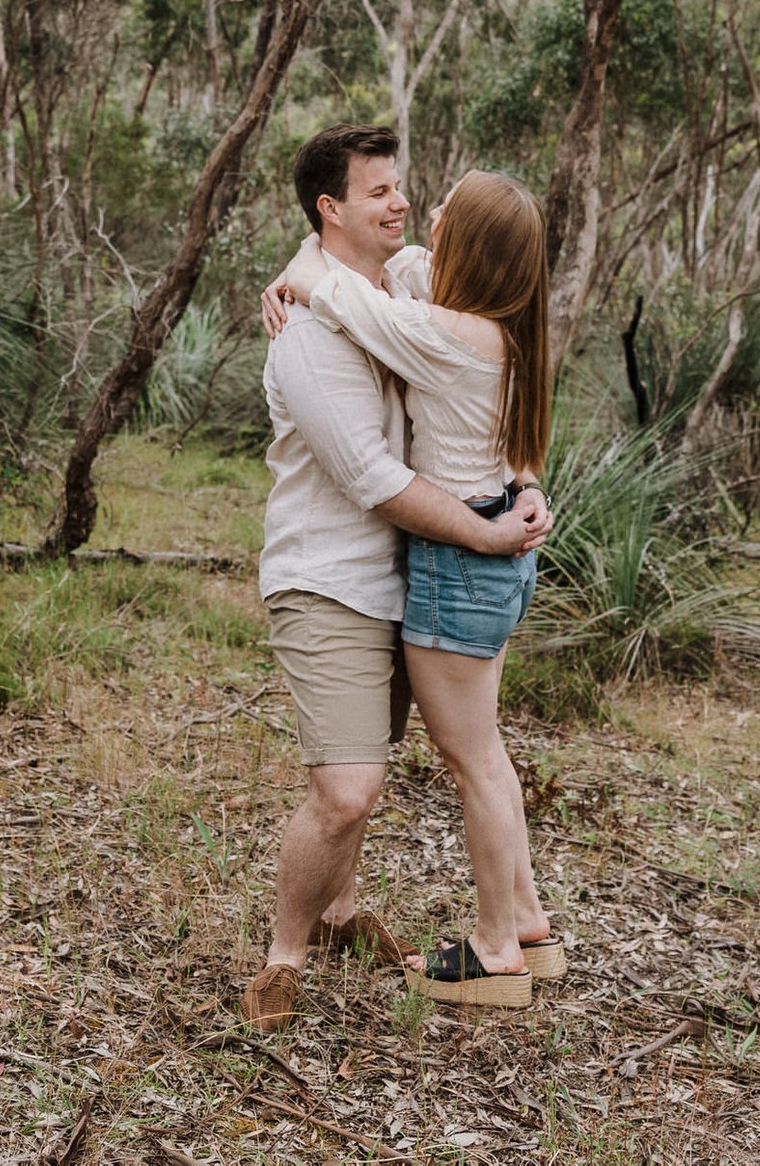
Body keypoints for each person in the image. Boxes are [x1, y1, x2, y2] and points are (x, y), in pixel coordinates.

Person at [237, 125, 553, 1034]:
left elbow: (397, 293)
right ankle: (286, 954)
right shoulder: (319, 330)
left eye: (412, 191)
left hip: (416, 573)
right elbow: (376, 477)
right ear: (333, 207)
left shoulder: (411, 301)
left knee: (428, 765)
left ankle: (473, 933)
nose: (407, 208)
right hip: (338, 576)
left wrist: (519, 495)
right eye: (382, 191)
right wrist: (494, 530)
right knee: (351, 788)